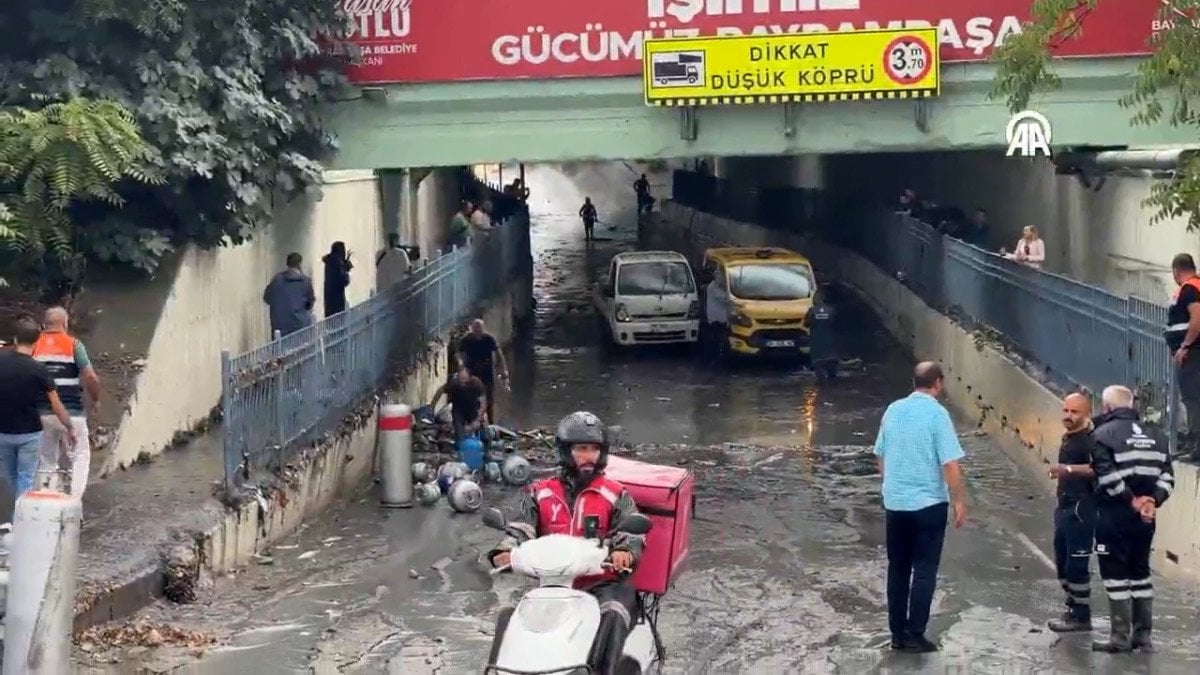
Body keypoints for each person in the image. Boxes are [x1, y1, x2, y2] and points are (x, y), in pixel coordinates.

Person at [487, 411, 645, 673]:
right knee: (509, 614)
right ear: (564, 451)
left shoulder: (616, 494)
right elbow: (521, 528)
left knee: (614, 612)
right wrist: (506, 549)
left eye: (595, 449)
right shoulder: (540, 492)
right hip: (552, 585)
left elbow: (631, 533)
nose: (589, 456)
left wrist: (625, 552)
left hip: (601, 584)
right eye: (582, 449)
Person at [873, 361, 968, 653]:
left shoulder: (893, 410)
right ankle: (915, 634)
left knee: (898, 569)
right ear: (937, 382)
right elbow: (950, 463)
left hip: (896, 504)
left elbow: (880, 455)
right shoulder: (938, 415)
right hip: (928, 505)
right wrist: (959, 500)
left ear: (914, 382)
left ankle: (897, 634)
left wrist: (893, 484)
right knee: (924, 570)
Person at [1089, 385, 1172, 653]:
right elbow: (1168, 476)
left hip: (1114, 515)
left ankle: (1120, 637)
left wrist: (1131, 500)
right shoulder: (1158, 435)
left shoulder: (1102, 435)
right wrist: (1152, 501)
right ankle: (1143, 636)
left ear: (1107, 408)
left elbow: (1108, 476)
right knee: (1140, 572)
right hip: (1146, 518)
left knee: (1115, 574)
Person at [0, 320, 75, 502]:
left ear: (15, 339)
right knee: (26, 477)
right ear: (37, 342)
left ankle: (18, 516)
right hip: (30, 433)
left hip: (2, 431)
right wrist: (69, 426)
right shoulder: (39, 370)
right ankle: (22, 518)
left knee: (11, 476)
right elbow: (56, 405)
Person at [34, 307, 102, 498]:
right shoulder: (74, 345)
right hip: (72, 413)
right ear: (65, 323)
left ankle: (47, 499)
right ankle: (74, 500)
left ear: (44, 325)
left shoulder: (34, 345)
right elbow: (90, 377)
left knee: (47, 460)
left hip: (42, 413)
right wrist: (96, 400)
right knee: (80, 455)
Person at [1046, 392, 1099, 632]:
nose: (1068, 416)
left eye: (1074, 412)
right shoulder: (1070, 436)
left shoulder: (1091, 440)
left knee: (1076, 564)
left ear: (1086, 413)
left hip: (1081, 508)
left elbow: (1098, 469)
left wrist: (1066, 469)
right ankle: (1072, 606)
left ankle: (1081, 616)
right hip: (1064, 506)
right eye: (1065, 410)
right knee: (1062, 561)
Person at [1165, 252, 1200, 461]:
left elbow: (1197, 318)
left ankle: (1196, 447)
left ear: (1176, 270)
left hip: (1193, 353)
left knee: (1193, 398)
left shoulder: (1189, 289)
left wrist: (1185, 345)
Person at [457, 319, 509, 424]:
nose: (478, 331)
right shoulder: (466, 339)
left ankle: (491, 423)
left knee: (489, 398)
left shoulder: (489, 339)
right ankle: (471, 421)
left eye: (480, 329)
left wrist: (504, 370)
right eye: (476, 328)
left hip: (486, 372)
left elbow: (499, 354)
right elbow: (458, 352)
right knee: (471, 397)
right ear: (472, 328)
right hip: (472, 372)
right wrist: (460, 362)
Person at [263, 252, 315, 337]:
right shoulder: (306, 281)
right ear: (300, 264)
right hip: (300, 327)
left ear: (287, 264)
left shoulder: (277, 280)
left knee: (280, 349)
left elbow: (267, 298)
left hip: (280, 328)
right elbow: (310, 304)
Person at [429, 366, 488, 440]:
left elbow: (483, 401)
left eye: (465, 382)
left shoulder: (476, 383)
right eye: (461, 382)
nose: (463, 384)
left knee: (482, 430)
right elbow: (440, 391)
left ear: (469, 378)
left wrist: (478, 419)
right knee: (459, 432)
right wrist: (432, 406)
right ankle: (460, 444)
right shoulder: (454, 383)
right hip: (458, 409)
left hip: (473, 408)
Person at [808, 289, 838, 380]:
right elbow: (838, 325)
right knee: (832, 378)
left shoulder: (812, 311)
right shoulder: (832, 310)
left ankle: (823, 392)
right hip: (831, 350)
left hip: (817, 351)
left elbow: (806, 323)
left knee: (820, 380)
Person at [322, 241, 353, 317]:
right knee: (338, 321)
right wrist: (346, 270)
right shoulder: (338, 263)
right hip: (338, 299)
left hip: (328, 299)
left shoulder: (329, 261)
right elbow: (344, 281)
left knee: (330, 323)